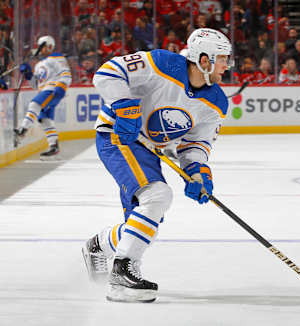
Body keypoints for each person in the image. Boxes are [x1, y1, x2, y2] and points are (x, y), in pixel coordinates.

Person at [82, 28, 231, 303]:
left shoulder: (217, 103)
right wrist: (124, 106)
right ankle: (122, 271)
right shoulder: (162, 63)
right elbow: (107, 72)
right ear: (204, 59)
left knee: (143, 221)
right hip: (118, 134)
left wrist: (198, 172)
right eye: (222, 58)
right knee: (157, 195)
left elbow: (195, 146)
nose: (227, 65)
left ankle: (100, 246)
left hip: (148, 148)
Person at [12, 35, 72, 159]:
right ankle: (53, 147)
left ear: (49, 46)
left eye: (42, 47)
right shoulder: (39, 64)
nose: (40, 49)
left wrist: (62, 86)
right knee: (44, 118)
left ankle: (23, 130)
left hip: (52, 89)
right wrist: (28, 74)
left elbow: (65, 72)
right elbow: (36, 84)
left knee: (34, 104)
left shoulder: (56, 58)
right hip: (44, 90)